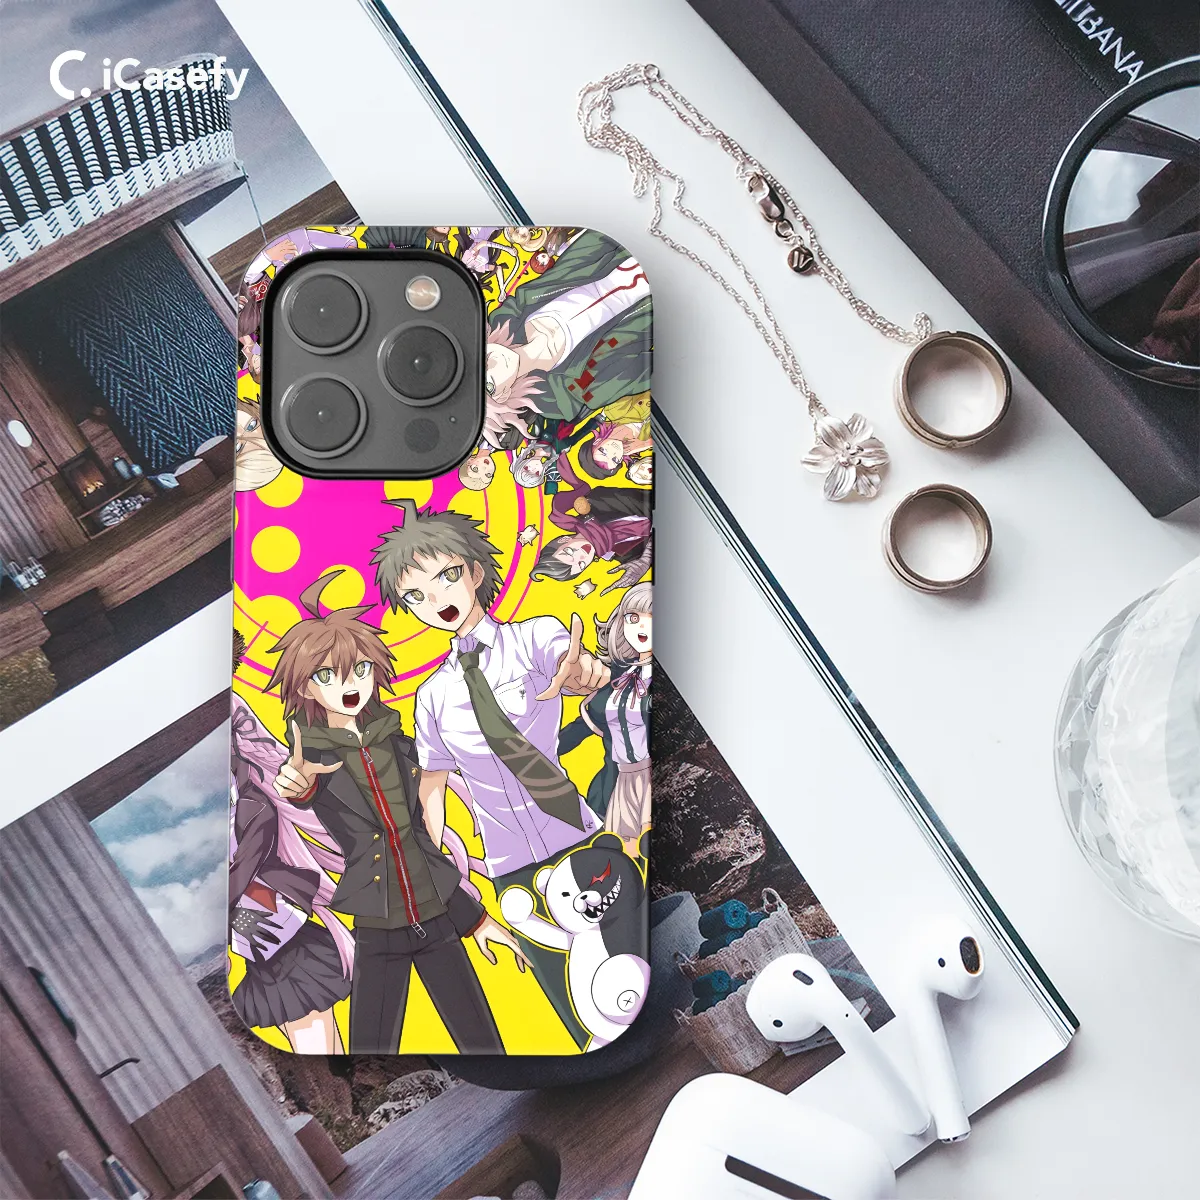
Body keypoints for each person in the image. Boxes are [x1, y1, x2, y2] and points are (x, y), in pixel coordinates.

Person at [371, 499, 607, 1045]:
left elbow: (569, 665)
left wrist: (581, 671)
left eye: (446, 577)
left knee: (619, 966)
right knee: (569, 998)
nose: (437, 601)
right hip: (509, 865)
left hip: (577, 836)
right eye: (415, 596)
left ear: (475, 573)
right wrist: (435, 868)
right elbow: (433, 788)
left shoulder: (534, 637)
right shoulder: (431, 696)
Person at [268, 570, 525, 1054]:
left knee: (485, 1045)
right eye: (326, 676)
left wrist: (474, 919)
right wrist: (295, 785)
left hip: (438, 919)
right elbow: (300, 788)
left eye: (359, 669)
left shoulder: (400, 746)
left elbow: (418, 843)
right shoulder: (313, 756)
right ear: (306, 688)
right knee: (370, 1048)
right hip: (378, 929)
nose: (348, 685)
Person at [229, 656, 352, 1053]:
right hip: (258, 941)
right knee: (313, 1039)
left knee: (315, 1035)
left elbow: (251, 852)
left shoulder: (251, 805)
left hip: (277, 933)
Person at [482, 229, 651, 447]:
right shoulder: (574, 391)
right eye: (488, 384)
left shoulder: (511, 315)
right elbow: (649, 368)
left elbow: (580, 256)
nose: (491, 363)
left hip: (626, 240)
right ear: (503, 396)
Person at [557, 583, 652, 853]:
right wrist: (538, 751)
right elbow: (580, 728)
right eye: (633, 617)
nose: (641, 626)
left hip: (652, 776)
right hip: (620, 781)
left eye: (651, 618)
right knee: (618, 853)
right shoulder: (618, 677)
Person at [531, 455, 652, 595]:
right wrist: (645, 561)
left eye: (570, 552)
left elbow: (650, 501)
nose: (582, 555)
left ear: (563, 540)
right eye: (581, 564)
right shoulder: (623, 557)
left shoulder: (597, 501)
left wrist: (646, 558)